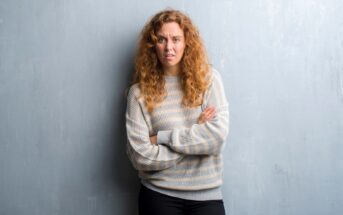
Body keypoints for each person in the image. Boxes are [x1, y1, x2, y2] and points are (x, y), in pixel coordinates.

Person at [125, 9, 229, 215]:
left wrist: (162, 138)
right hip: (158, 195)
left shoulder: (209, 80)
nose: (169, 47)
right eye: (161, 40)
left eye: (176, 39)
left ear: (186, 42)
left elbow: (216, 138)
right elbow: (139, 156)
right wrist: (195, 132)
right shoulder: (138, 93)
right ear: (152, 45)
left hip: (207, 195)